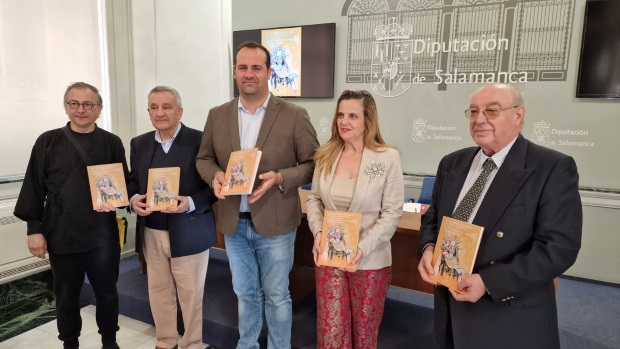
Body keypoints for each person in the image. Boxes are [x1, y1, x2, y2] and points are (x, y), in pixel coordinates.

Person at [417, 83, 582, 349]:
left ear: (518, 115)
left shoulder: (551, 168)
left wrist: (489, 282)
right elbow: (433, 216)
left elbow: (559, 249)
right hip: (449, 310)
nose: (479, 119)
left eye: (492, 111)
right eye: (473, 111)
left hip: (507, 316)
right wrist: (428, 248)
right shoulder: (452, 163)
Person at [196, 41, 319, 349]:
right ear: (235, 72)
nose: (248, 74)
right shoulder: (217, 115)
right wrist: (214, 175)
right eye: (242, 67)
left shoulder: (294, 114)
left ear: (268, 72)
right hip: (234, 223)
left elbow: (312, 163)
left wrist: (280, 177)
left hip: (276, 223)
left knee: (277, 295)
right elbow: (203, 158)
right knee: (245, 292)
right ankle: (247, 345)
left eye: (255, 68)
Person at [14, 82, 127, 349]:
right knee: (65, 297)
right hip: (61, 234)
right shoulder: (47, 141)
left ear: (99, 109)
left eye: (88, 104)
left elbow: (123, 184)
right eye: (74, 103)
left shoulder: (112, 142)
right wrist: (34, 230)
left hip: (102, 235)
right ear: (66, 107)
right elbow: (33, 187)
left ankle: (109, 342)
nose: (81, 110)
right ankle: (70, 344)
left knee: (108, 294)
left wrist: (121, 197)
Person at [306, 90, 404, 349]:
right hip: (330, 257)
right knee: (331, 333)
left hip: (370, 260)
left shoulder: (386, 157)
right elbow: (314, 200)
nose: (344, 121)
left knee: (363, 335)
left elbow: (392, 212)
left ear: (367, 120)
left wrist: (362, 247)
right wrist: (317, 233)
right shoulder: (326, 154)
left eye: (352, 115)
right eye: (340, 115)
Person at [127, 86, 217, 349]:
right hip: (151, 230)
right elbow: (132, 181)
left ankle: (191, 343)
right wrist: (134, 201)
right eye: (154, 107)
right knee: (158, 290)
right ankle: (165, 340)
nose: (160, 113)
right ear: (148, 112)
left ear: (179, 111)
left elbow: (215, 185)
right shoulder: (139, 143)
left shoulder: (201, 141)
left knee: (190, 294)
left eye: (166, 107)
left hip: (189, 229)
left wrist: (189, 203)